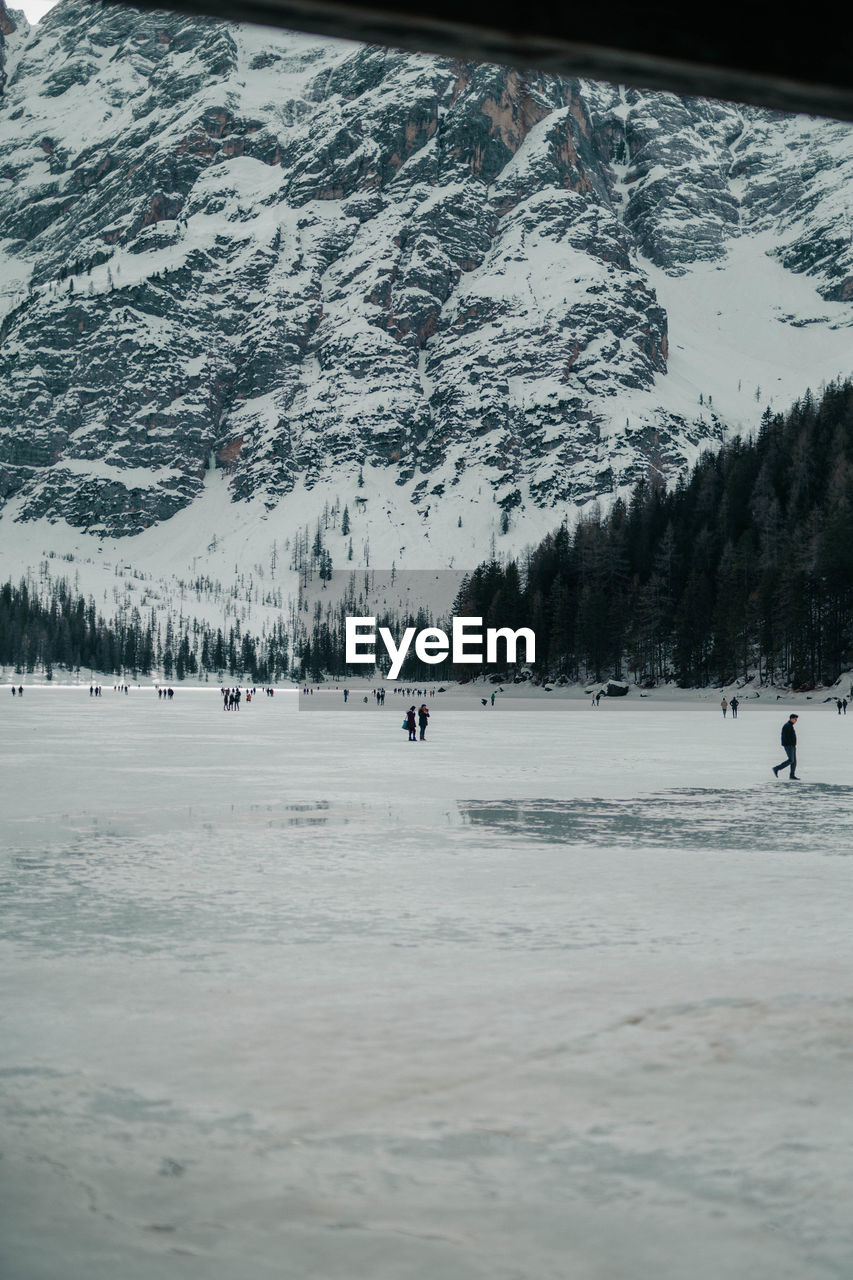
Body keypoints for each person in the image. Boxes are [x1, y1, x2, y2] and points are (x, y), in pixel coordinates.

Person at [773, 714, 800, 780]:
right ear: (791, 718)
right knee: (791, 760)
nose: (796, 721)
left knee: (794, 761)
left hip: (792, 746)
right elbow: (785, 737)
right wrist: (790, 744)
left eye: (796, 719)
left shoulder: (790, 725)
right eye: (795, 719)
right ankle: (776, 768)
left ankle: (792, 775)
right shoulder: (787, 726)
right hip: (789, 746)